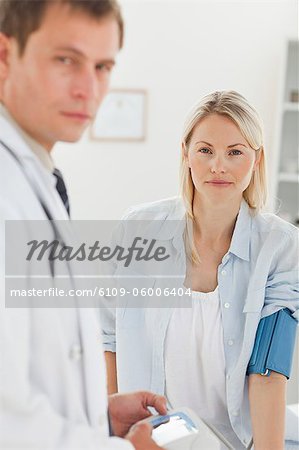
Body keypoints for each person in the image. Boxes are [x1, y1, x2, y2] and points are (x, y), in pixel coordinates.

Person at [0, 1, 167, 448]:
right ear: (4, 56)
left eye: (103, 66)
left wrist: (97, 415)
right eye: (66, 61)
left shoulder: (35, 174)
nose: (88, 89)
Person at [102, 91, 299, 450]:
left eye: (235, 152)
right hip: (149, 441)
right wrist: (107, 438)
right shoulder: (138, 228)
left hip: (234, 442)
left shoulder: (281, 247)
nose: (218, 166)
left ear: (256, 160)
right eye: (205, 149)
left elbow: (269, 368)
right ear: (186, 153)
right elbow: (107, 341)